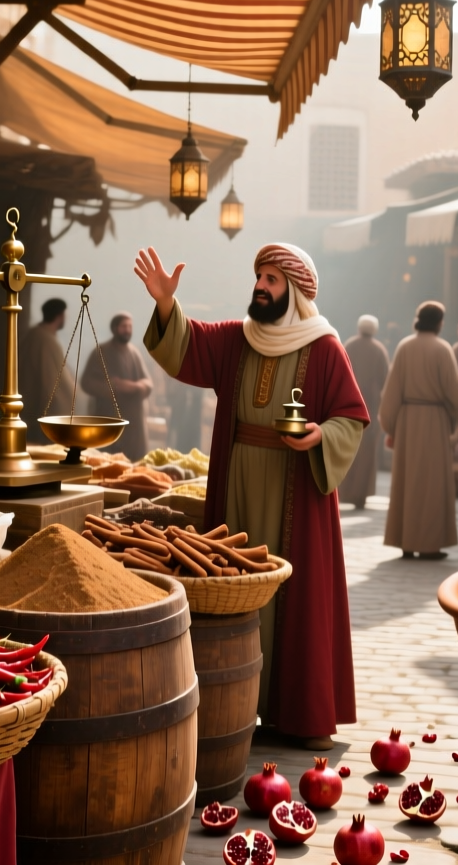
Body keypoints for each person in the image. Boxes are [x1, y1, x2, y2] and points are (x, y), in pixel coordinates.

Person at [137, 243, 367, 749]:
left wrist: (319, 436)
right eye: (259, 276)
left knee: (295, 597)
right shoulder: (238, 340)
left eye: (272, 279)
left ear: (297, 292)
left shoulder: (325, 347)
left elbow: (350, 417)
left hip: (295, 488)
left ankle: (302, 717)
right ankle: (238, 708)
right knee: (234, 584)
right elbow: (188, 346)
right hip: (237, 480)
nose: (260, 286)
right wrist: (165, 305)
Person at [381, 301, 458, 559]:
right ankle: (429, 545)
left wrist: (391, 427)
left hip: (408, 421)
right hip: (434, 421)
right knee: (431, 485)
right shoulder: (442, 349)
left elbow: (391, 392)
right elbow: (454, 391)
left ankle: (406, 542)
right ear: (439, 322)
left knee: (407, 482)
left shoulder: (405, 346)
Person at [79, 312, 152, 461]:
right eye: (124, 326)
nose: (127, 330)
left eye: (130, 326)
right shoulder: (101, 352)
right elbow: (86, 382)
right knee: (106, 459)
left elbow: (148, 383)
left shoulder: (134, 353)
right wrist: (113, 386)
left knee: (134, 461)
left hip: (133, 420)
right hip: (108, 415)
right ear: (114, 328)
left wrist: (136, 386)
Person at [342, 314, 390, 508]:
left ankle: (343, 491)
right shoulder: (379, 350)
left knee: (346, 447)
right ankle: (360, 495)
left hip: (347, 403)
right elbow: (385, 378)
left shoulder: (349, 345)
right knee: (367, 452)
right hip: (369, 406)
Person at [20, 298, 72, 444]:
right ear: (60, 316)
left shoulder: (38, 335)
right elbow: (52, 381)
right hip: (43, 411)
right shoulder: (44, 340)